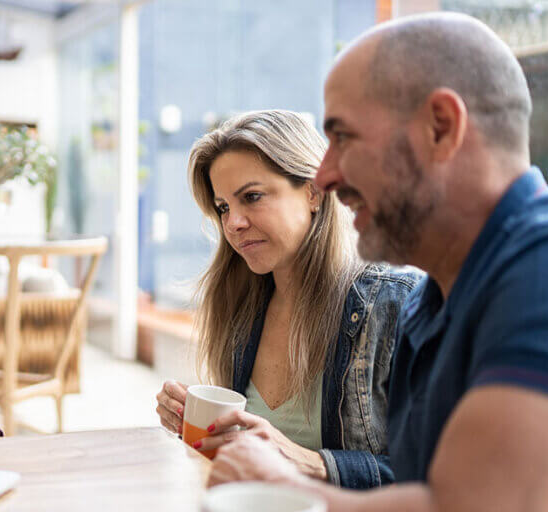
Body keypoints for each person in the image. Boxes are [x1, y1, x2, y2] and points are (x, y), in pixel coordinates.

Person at [209, 13, 548, 511]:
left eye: (343, 137)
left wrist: (289, 483)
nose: (326, 174)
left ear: (441, 128)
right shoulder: (431, 304)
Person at [155, 110, 421, 488]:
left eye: (252, 197)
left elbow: (440, 480)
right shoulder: (240, 304)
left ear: (313, 191)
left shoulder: (396, 302)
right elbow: (246, 461)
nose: (233, 223)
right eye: (223, 207)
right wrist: (201, 430)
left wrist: (311, 463)